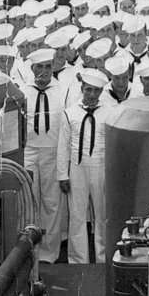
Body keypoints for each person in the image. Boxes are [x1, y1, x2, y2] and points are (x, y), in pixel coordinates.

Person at [57, 69, 114, 263]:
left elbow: (113, 144)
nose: (92, 94)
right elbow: (63, 146)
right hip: (77, 168)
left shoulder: (109, 113)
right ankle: (78, 259)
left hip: (101, 167)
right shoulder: (70, 113)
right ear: (82, 88)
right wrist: (62, 175)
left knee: (102, 214)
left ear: (101, 92)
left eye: (96, 90)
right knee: (77, 214)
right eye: (88, 89)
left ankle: (102, 258)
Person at [21, 48, 69, 264]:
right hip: (29, 151)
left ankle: (49, 254)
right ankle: (28, 252)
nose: (44, 71)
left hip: (52, 151)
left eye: (48, 66)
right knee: (29, 200)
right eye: (39, 67)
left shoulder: (63, 91)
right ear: (32, 68)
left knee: (52, 203)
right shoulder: (22, 91)